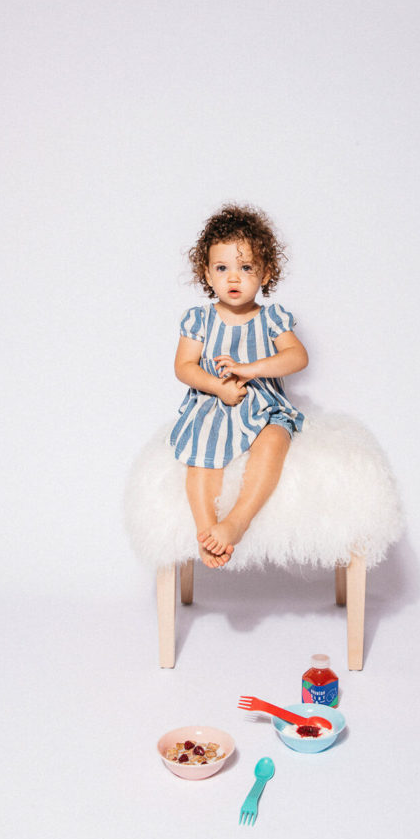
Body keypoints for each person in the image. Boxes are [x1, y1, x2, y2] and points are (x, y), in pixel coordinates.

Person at [169, 204, 308, 568]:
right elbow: (183, 367)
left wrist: (250, 369)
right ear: (207, 273)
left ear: (265, 273)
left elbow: (297, 357)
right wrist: (219, 387)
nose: (234, 278)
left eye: (246, 268)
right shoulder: (199, 319)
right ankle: (207, 531)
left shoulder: (271, 318)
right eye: (222, 268)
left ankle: (237, 521)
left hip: (263, 404)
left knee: (274, 441)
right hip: (214, 403)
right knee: (199, 453)